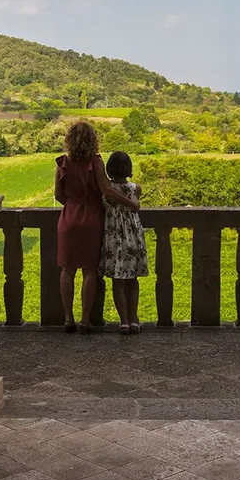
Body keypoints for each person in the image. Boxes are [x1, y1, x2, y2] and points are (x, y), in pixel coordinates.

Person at [55, 121, 140, 333]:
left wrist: (73, 203)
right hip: (92, 218)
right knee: (89, 271)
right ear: (92, 139)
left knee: (67, 269)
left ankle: (67, 318)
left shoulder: (62, 163)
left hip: (69, 218)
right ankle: (85, 319)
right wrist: (131, 203)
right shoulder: (95, 162)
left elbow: (58, 195)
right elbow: (107, 191)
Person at [100, 150, 148, 334]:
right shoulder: (135, 189)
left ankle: (124, 321)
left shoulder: (106, 191)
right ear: (129, 168)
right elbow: (134, 205)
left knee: (118, 281)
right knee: (132, 280)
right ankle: (134, 319)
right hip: (133, 236)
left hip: (113, 238)